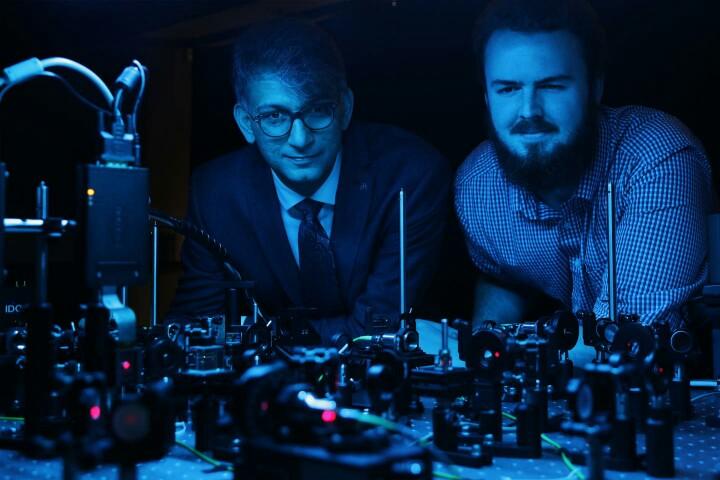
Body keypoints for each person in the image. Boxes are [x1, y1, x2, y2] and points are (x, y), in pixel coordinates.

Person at [170, 19, 451, 346]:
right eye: (275, 116)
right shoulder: (215, 192)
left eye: (318, 110)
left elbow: (378, 330)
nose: (300, 139)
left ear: (345, 108)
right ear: (247, 123)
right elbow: (198, 328)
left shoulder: (410, 175)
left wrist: (258, 338)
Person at [455, 0, 713, 332]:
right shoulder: (477, 184)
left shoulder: (656, 154)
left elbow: (628, 337)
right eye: (508, 88)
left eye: (552, 86)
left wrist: (501, 348)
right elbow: (505, 278)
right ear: (487, 97)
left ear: (595, 87)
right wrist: (481, 342)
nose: (529, 111)